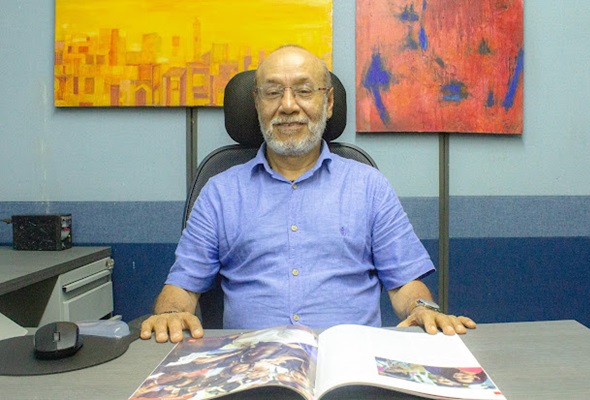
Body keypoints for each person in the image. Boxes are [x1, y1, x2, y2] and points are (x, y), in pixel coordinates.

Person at [140, 45, 476, 343]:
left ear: (328, 102)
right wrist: (170, 314)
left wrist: (422, 308)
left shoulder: (369, 186)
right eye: (273, 93)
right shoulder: (220, 192)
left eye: (303, 91)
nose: (288, 106)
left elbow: (405, 284)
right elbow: (182, 287)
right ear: (257, 104)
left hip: (349, 363)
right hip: (250, 365)